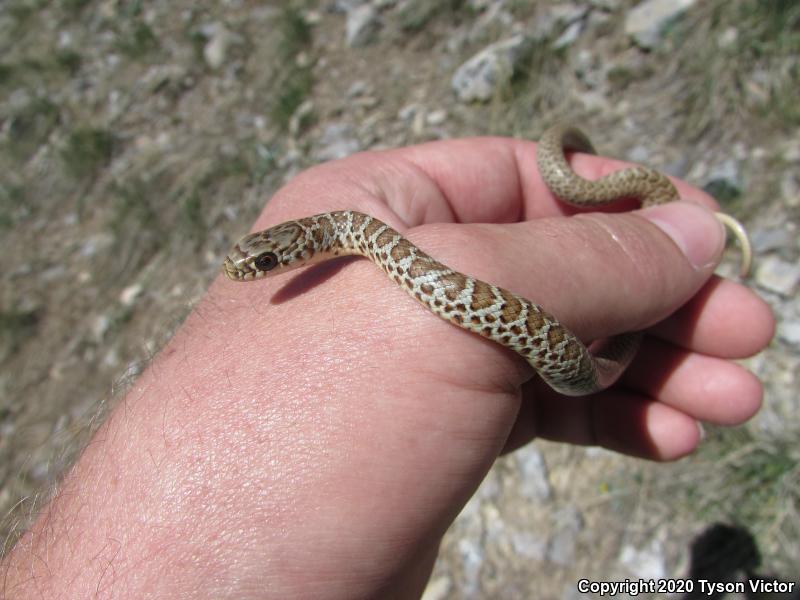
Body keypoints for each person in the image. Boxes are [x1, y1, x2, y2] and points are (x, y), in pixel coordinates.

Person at [2, 137, 774, 598]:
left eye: (269, 260)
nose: (262, 269)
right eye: (264, 258)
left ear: (307, 247)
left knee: (608, 365)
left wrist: (640, 250)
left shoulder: (372, 241)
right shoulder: (355, 240)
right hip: (573, 369)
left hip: (577, 361)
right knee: (608, 373)